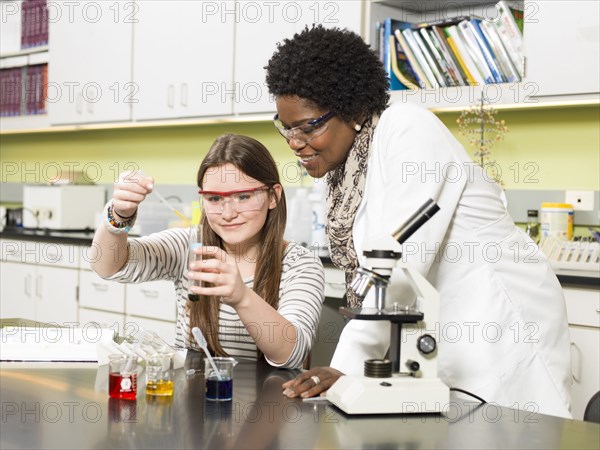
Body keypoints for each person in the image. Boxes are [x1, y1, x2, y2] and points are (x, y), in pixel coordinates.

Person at [265, 25, 572, 417]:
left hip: (501, 321)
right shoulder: (346, 169)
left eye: (309, 126)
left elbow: (399, 259)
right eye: (286, 127)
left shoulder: (409, 129)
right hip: (443, 335)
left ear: (355, 109)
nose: (294, 141)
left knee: (517, 431)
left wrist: (345, 366)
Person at [90, 134, 325, 369]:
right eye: (214, 199)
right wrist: (119, 214)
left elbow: (291, 354)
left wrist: (242, 297)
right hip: (193, 399)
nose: (228, 213)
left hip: (267, 403)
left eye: (243, 197)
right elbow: (108, 266)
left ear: (274, 196)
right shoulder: (190, 246)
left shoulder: (300, 263)